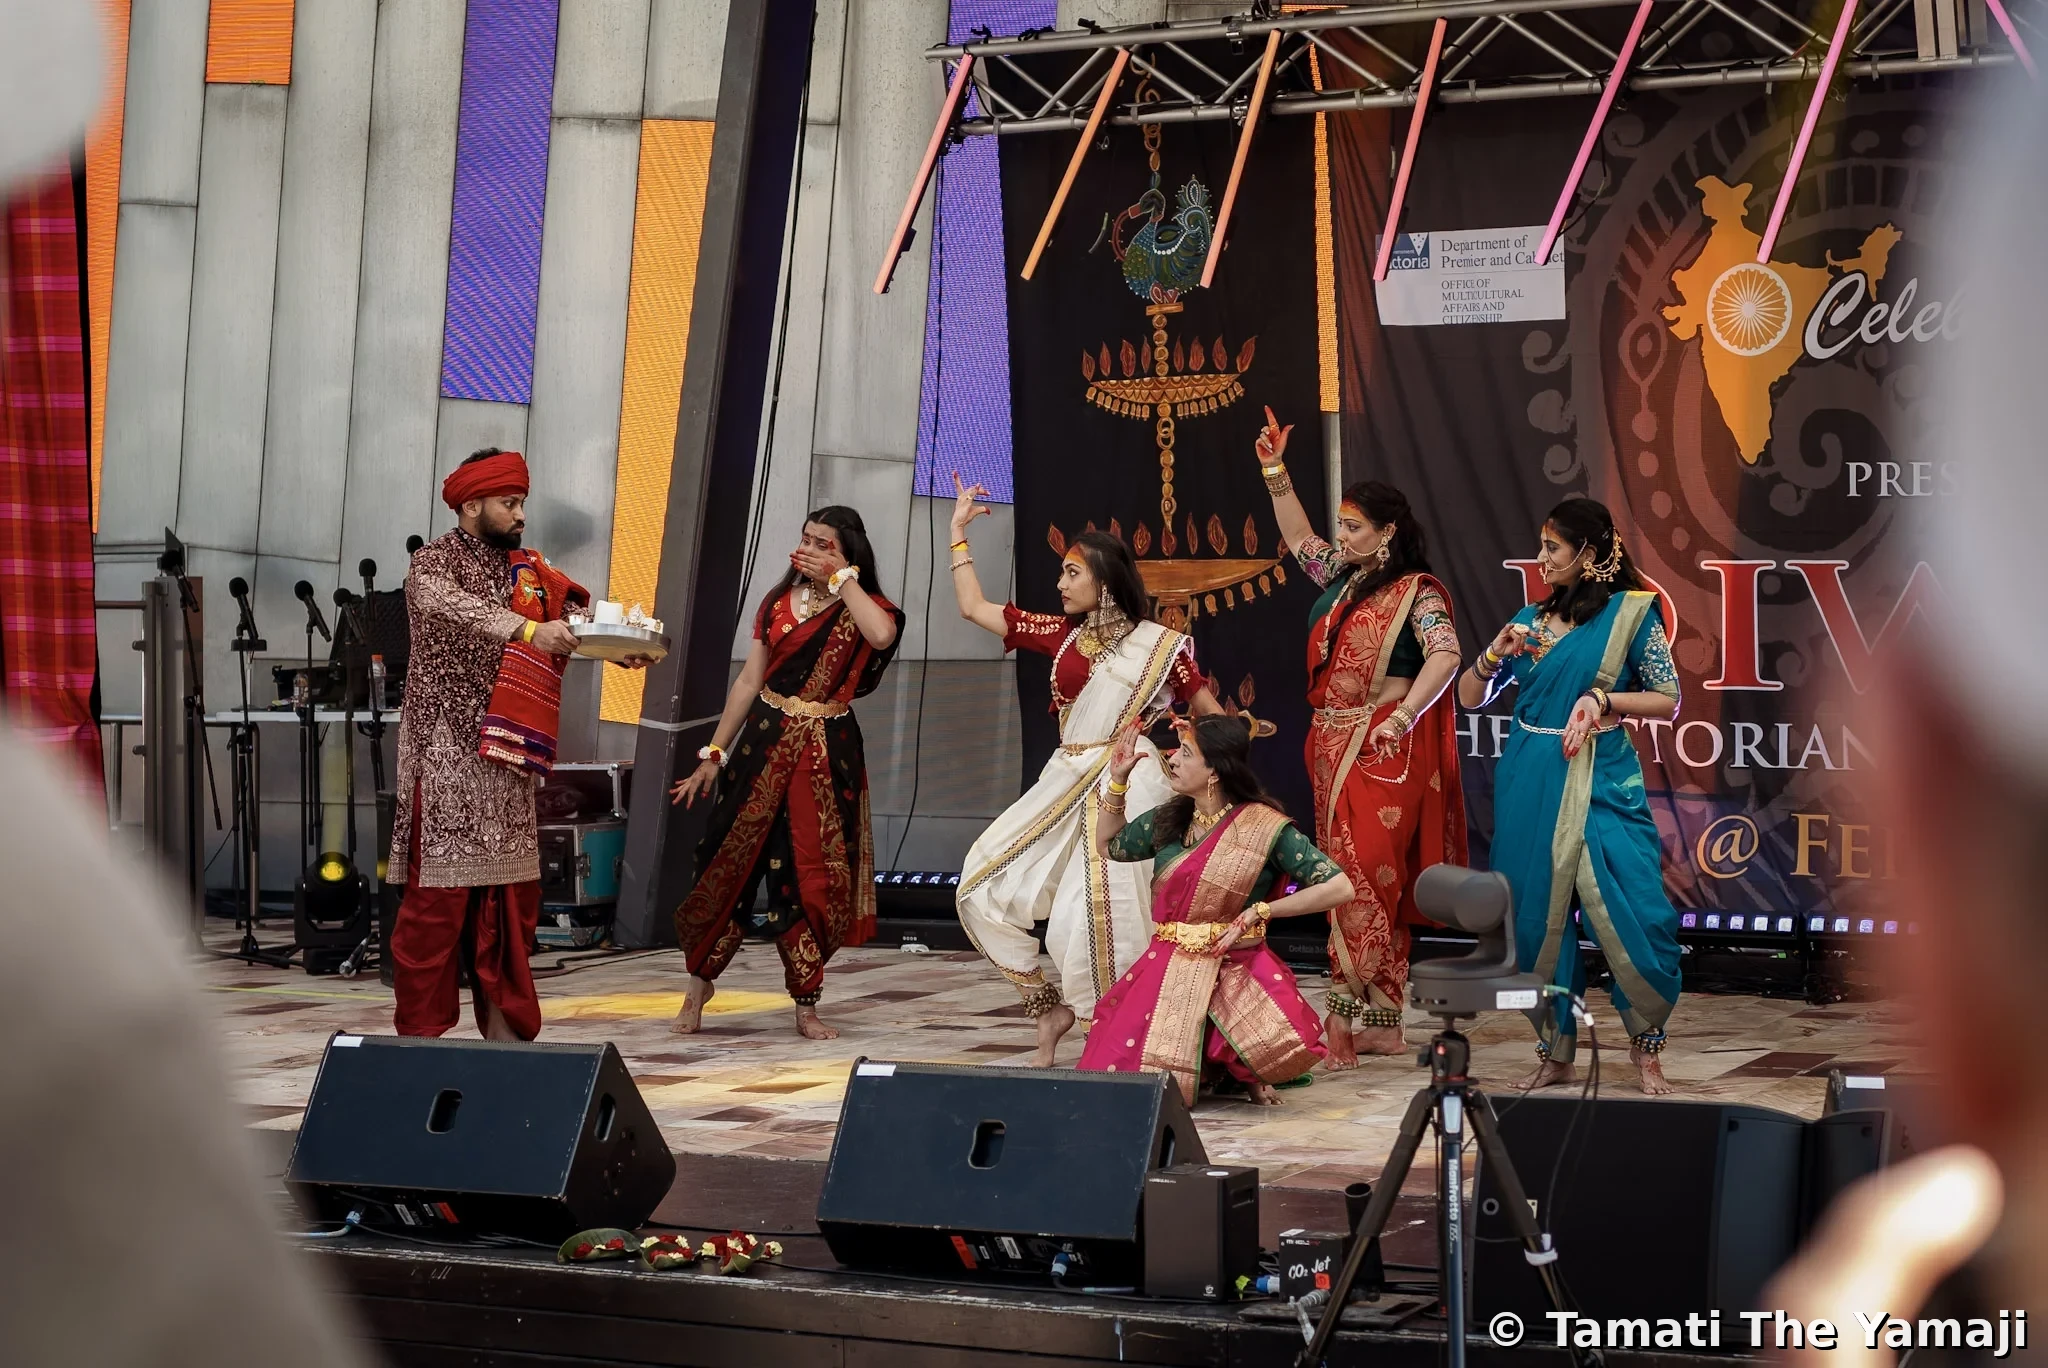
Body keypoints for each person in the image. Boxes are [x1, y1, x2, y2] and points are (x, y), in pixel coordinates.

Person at [948, 473, 1222, 1065]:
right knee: (979, 884)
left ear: (1105, 580)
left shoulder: (1161, 647)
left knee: (1100, 911)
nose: (1060, 582)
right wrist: (957, 534)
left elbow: (1210, 715)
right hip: (1065, 779)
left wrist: (1218, 780)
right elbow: (972, 607)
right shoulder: (1061, 636)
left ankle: (1118, 1031)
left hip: (1129, 780)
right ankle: (1049, 1007)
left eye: (1073, 572)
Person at [388, 448, 649, 1040]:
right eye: (509, 503)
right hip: (446, 757)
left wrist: (619, 646)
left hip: (507, 760)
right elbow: (460, 610)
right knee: (436, 912)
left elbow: (576, 619)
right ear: (470, 503)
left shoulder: (530, 571)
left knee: (506, 908)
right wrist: (531, 629)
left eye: (522, 502)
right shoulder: (431, 566)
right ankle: (417, 1046)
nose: (520, 515)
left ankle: (506, 1044)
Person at [1254, 409, 1466, 1065]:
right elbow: (1298, 540)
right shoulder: (1344, 581)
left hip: (1382, 751)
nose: (1340, 536)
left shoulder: (1415, 594)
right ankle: (1383, 1021)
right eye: (1341, 526)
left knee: (1368, 881)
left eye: (1353, 527)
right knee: (1358, 877)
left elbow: (1447, 655)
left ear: (1387, 534)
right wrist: (1274, 470)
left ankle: (1343, 1021)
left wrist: (1401, 718)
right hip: (1329, 745)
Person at [1455, 497, 1681, 1095]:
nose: (1542, 558)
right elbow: (1470, 698)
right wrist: (1491, 655)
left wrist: (1603, 702)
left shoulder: (1633, 616)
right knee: (1533, 915)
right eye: (1542, 545)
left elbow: (1667, 697)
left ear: (1589, 551)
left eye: (1552, 547)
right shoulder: (1530, 621)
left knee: (1636, 908)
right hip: (1530, 775)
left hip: (1600, 773)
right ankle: (1556, 1049)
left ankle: (1647, 1047)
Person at [668, 507, 903, 1040]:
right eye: (806, 540)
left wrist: (841, 580)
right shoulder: (777, 603)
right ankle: (697, 989)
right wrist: (713, 753)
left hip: (825, 755)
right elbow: (749, 681)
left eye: (825, 544)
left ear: (848, 556)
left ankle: (806, 1003)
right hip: (761, 745)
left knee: (814, 877)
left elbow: (882, 635)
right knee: (726, 863)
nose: (810, 550)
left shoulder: (869, 607)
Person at [1079, 715, 1352, 1105]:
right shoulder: (1168, 820)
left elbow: (1340, 887)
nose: (1171, 759)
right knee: (1118, 1070)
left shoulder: (1263, 827)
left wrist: (1262, 910)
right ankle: (1224, 1070)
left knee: (1269, 1036)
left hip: (1235, 962)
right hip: (1169, 963)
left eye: (1186, 754)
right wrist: (1118, 781)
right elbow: (1109, 846)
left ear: (1215, 772)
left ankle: (1245, 1068)